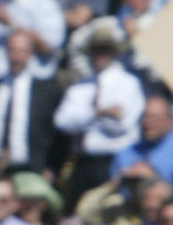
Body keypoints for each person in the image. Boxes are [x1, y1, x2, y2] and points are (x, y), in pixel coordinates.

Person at [54, 27, 146, 202]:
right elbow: (62, 121)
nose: (100, 55)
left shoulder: (129, 84)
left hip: (113, 161)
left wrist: (85, 118)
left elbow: (123, 125)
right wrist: (98, 113)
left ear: (113, 52)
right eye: (96, 50)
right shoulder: (80, 88)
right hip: (83, 161)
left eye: (105, 50)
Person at [0, 30, 59, 174]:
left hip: (30, 169)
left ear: (31, 54)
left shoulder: (46, 91)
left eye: (22, 51)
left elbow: (55, 134)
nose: (16, 57)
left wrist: (51, 167)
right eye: (12, 50)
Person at [112, 93, 173, 209]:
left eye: (154, 118)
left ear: (170, 122)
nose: (148, 123)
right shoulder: (127, 154)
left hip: (171, 220)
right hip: (131, 219)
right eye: (145, 117)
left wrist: (154, 178)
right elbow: (114, 193)